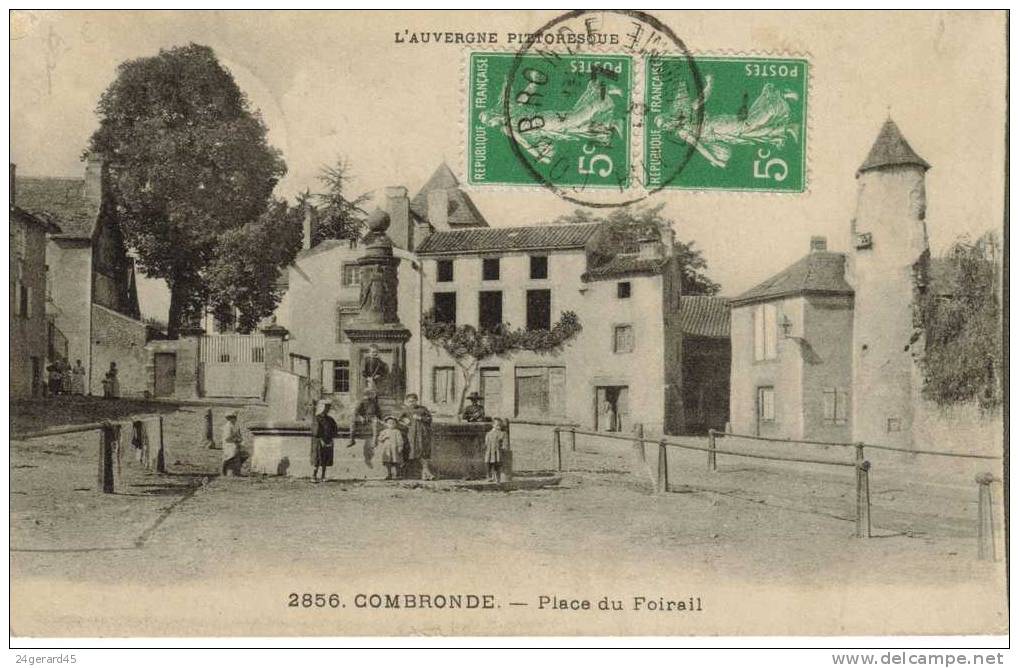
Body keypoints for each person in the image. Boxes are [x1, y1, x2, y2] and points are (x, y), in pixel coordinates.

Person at [399, 393, 434, 480]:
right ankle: (426, 473)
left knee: (423, 451)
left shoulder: (422, 409)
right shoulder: (405, 410)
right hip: (412, 434)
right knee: (415, 451)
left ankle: (425, 473)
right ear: (407, 401)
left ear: (416, 401)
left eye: (413, 401)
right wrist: (404, 421)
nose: (412, 403)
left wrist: (420, 418)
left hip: (423, 432)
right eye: (410, 401)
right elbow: (398, 420)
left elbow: (430, 419)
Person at [349, 388, 382, 467]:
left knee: (375, 423)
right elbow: (356, 412)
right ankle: (352, 439)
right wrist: (361, 417)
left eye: (371, 395)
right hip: (362, 418)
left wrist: (378, 418)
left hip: (371, 418)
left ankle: (374, 440)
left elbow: (379, 412)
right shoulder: (361, 402)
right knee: (352, 421)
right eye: (368, 395)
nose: (369, 396)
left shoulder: (374, 403)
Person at [310, 399, 338, 482]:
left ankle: (323, 476)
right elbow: (316, 431)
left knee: (325, 459)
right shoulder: (317, 418)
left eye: (328, 408)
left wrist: (331, 439)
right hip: (318, 441)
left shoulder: (330, 419)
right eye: (325, 407)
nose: (327, 409)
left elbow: (334, 429)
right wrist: (321, 439)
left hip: (328, 440)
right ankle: (314, 476)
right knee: (318, 459)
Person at [377, 415, 405, 480]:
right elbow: (379, 439)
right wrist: (384, 437)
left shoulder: (397, 431)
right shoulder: (384, 431)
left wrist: (400, 446)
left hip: (395, 449)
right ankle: (389, 474)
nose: (391, 425)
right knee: (387, 461)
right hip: (387, 449)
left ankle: (397, 474)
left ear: (395, 424)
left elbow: (400, 440)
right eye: (389, 423)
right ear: (386, 424)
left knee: (396, 462)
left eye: (393, 423)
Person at [221, 411, 247, 476]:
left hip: (236, 443)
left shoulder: (235, 426)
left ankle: (237, 470)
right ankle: (226, 470)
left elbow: (239, 435)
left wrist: (240, 439)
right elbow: (227, 438)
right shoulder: (227, 426)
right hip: (229, 444)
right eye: (232, 417)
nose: (234, 419)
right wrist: (235, 440)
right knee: (233, 452)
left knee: (245, 453)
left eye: (235, 417)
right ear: (229, 418)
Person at [484, 418, 509, 482]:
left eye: (500, 425)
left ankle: (497, 478)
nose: (499, 427)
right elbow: (486, 443)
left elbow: (505, 443)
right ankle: (489, 476)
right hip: (489, 452)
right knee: (489, 464)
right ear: (493, 425)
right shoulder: (488, 433)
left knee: (497, 465)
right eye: (497, 425)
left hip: (497, 451)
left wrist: (503, 448)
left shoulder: (502, 434)